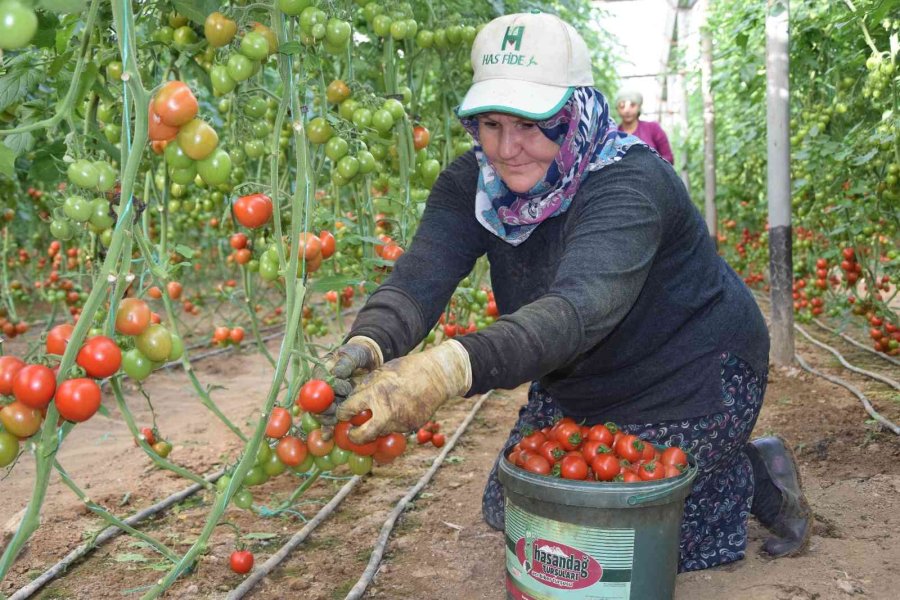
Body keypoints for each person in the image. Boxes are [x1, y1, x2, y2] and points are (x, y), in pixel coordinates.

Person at [323, 12, 811, 572]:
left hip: (693, 371)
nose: (507, 148)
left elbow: (579, 309)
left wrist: (447, 370)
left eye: (532, 124)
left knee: (626, 544)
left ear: (574, 111)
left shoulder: (629, 183)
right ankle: (717, 466)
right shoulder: (474, 183)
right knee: (518, 509)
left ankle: (754, 473)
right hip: (582, 382)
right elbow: (420, 276)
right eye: (490, 123)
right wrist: (366, 345)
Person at [615, 89, 675, 165]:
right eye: (622, 106)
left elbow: (668, 157)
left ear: (639, 107)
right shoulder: (612, 135)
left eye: (632, 105)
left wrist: (651, 166)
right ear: (617, 109)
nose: (627, 110)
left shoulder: (653, 128)